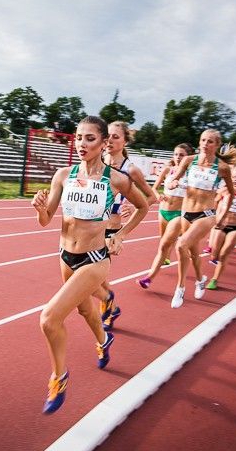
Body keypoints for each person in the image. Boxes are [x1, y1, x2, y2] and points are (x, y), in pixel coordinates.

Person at [31, 116, 148, 414]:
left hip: (95, 259)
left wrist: (120, 234)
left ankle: (59, 377)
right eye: (78, 137)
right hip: (65, 256)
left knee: (49, 319)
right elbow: (46, 220)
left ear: (103, 142)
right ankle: (104, 339)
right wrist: (40, 209)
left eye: (90, 138)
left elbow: (144, 205)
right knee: (85, 311)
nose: (81, 144)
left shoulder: (116, 179)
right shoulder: (63, 175)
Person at [164, 129, 236, 307]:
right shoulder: (188, 160)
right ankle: (200, 279)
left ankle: (180, 288)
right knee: (192, 253)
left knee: (181, 245)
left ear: (217, 145)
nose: (205, 144)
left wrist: (223, 215)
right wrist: (173, 182)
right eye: (203, 140)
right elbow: (173, 179)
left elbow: (231, 193)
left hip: (206, 214)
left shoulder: (222, 168)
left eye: (210, 141)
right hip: (186, 213)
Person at [96, 121, 156, 330]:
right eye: (108, 136)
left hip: (111, 230)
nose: (110, 140)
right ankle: (111, 306)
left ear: (125, 142)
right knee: (91, 276)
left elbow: (152, 197)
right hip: (91, 227)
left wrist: (130, 210)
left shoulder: (130, 169)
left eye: (116, 137)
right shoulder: (98, 160)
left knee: (94, 276)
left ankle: (109, 307)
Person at [137, 143, 194, 288]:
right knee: (163, 242)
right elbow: (154, 188)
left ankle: (149, 278)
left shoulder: (191, 174)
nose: (178, 157)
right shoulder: (168, 170)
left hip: (178, 214)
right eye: (176, 154)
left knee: (163, 245)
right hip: (162, 212)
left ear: (188, 157)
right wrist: (159, 195)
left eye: (181, 155)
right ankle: (168, 257)